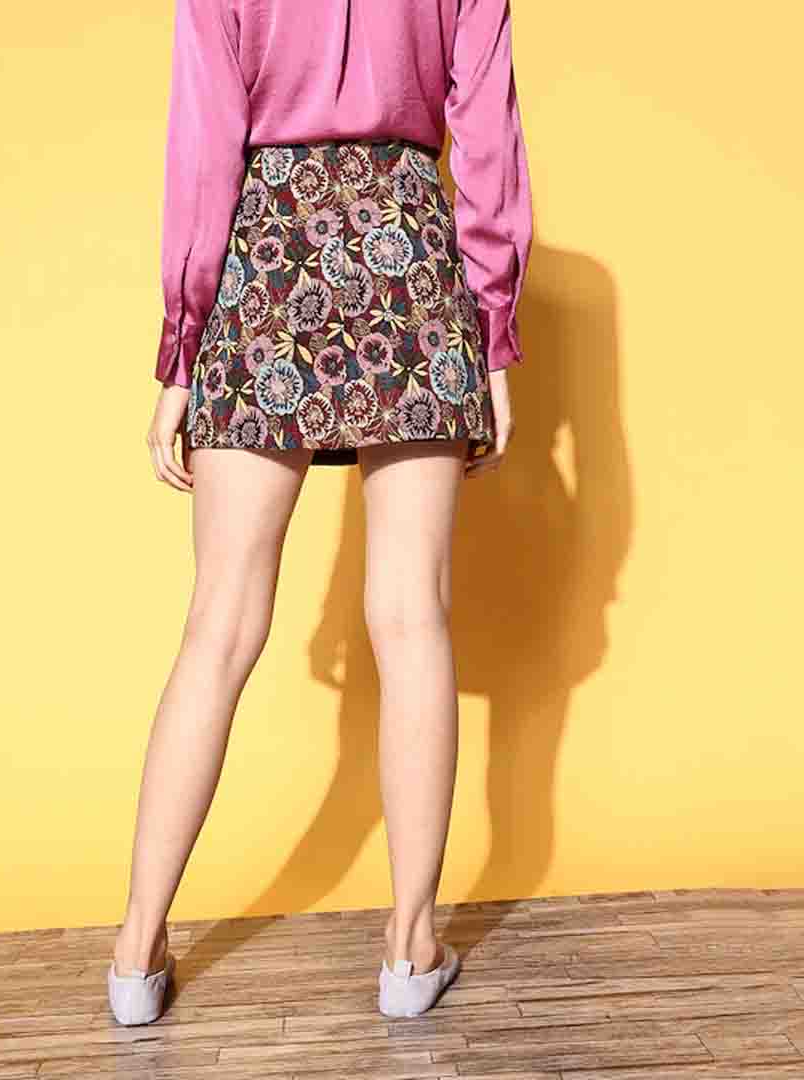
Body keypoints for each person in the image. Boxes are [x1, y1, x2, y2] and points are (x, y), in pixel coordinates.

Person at [108, 0, 533, 1024]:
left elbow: (203, 151)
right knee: (412, 619)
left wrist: (181, 352)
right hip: (407, 252)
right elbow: (487, 143)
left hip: (266, 254)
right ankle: (411, 948)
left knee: (218, 626)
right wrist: (495, 335)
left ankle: (134, 955)